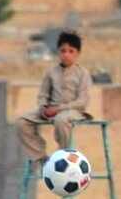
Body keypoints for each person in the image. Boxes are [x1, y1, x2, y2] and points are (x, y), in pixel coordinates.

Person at [16, 31, 92, 172]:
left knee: (61, 120)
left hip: (73, 111)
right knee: (21, 122)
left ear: (77, 53)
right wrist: (43, 108)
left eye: (71, 51)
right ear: (58, 52)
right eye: (63, 51)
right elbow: (43, 94)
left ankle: (64, 156)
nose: (66, 54)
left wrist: (59, 109)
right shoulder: (51, 72)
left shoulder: (83, 74)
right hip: (50, 110)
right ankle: (42, 158)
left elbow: (82, 101)